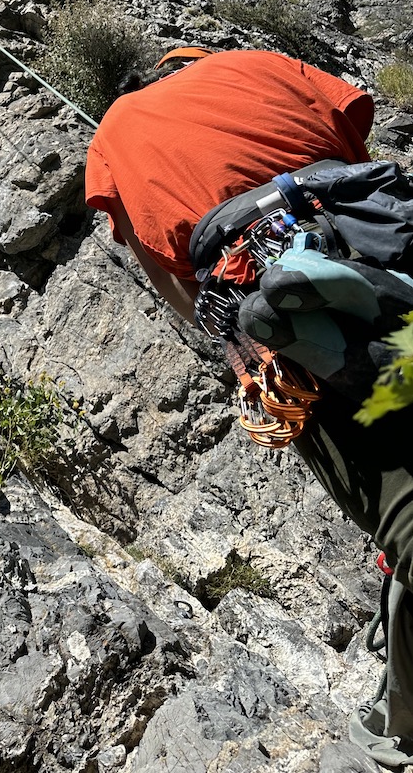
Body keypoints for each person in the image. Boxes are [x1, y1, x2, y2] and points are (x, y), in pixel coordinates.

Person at [85, 47, 413, 766]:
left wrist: (237, 347)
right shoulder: (253, 63)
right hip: (373, 226)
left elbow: (167, 275)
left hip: (259, 282)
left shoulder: (114, 133)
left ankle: (402, 726)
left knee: (401, 503)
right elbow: (355, 147)